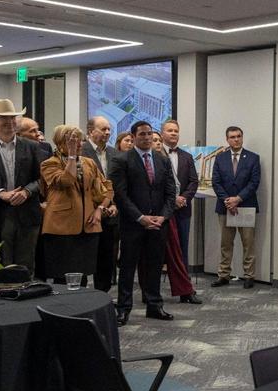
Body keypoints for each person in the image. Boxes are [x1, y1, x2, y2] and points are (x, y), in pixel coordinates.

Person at [110, 120, 176, 326]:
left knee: (155, 266)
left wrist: (163, 216)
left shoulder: (162, 160)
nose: (147, 138)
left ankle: (154, 305)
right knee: (128, 267)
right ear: (133, 136)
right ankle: (123, 309)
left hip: (158, 223)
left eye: (149, 134)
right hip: (133, 224)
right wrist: (140, 218)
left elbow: (171, 192)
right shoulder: (122, 160)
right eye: (142, 134)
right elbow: (120, 195)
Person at [0, 99, 45, 273]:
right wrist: (0, 193)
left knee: (26, 263)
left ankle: (25, 296)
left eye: (13, 118)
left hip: (28, 212)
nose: (10, 122)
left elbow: (43, 178)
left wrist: (27, 192)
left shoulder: (32, 146)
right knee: (0, 262)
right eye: (4, 118)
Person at [38, 126, 110, 285]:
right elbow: (65, 181)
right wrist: (71, 157)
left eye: (80, 140)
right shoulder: (49, 164)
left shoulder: (89, 162)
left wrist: (100, 209)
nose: (78, 144)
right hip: (61, 227)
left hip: (88, 225)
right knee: (62, 276)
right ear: (60, 142)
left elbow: (107, 188)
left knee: (82, 275)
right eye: (72, 141)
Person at [152, 133, 202, 305]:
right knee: (148, 258)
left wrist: (174, 201)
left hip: (167, 214)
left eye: (159, 140)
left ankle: (185, 291)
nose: (157, 143)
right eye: (154, 140)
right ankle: (148, 293)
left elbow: (177, 185)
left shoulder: (165, 162)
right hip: (144, 216)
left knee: (176, 254)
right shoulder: (136, 162)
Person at [211, 126, 261, 289]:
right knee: (226, 243)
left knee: (248, 243)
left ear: (242, 137)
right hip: (225, 207)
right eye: (232, 137)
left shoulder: (253, 158)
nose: (236, 139)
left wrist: (237, 199)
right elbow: (216, 182)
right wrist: (227, 200)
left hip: (245, 206)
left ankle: (249, 276)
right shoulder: (220, 158)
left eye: (239, 136)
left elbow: (254, 183)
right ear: (227, 139)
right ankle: (224, 275)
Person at [81, 116, 121, 292]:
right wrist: (97, 207)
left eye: (109, 129)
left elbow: (118, 184)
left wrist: (114, 205)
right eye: (103, 129)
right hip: (87, 215)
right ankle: (80, 301)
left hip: (110, 215)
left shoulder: (115, 154)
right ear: (91, 131)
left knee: (106, 260)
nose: (108, 132)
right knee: (83, 261)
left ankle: (102, 297)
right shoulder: (81, 152)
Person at [161, 120, 199, 271]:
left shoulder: (187, 156)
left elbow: (193, 181)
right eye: (170, 130)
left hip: (183, 209)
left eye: (176, 131)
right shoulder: (156, 155)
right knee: (160, 248)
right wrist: (172, 199)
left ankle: (185, 287)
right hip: (163, 210)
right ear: (162, 133)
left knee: (183, 247)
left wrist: (183, 198)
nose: (173, 133)